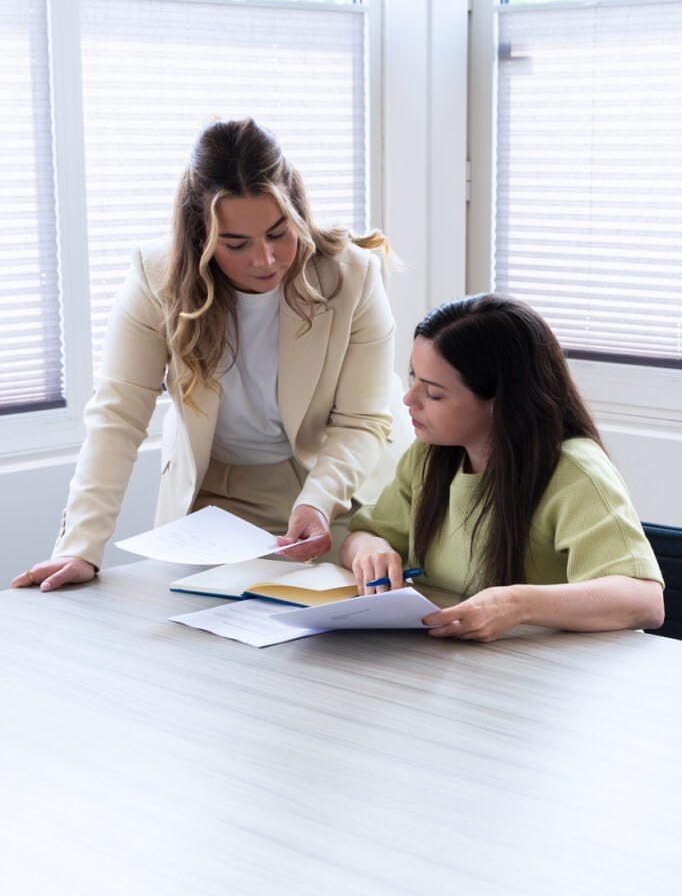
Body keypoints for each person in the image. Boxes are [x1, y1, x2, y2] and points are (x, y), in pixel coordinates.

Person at [15, 117, 407, 592]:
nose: (264, 259)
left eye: (279, 233)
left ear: (297, 212)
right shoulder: (155, 279)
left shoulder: (352, 276)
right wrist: (80, 547)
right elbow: (118, 416)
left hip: (338, 486)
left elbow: (361, 421)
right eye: (236, 243)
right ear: (202, 235)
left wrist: (318, 502)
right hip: (220, 496)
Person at [340, 293, 665, 642]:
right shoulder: (428, 456)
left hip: (550, 677)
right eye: (413, 377)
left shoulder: (574, 470)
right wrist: (370, 550)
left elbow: (644, 601)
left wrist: (516, 603)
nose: (409, 399)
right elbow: (360, 535)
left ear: (499, 402)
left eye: (433, 393)